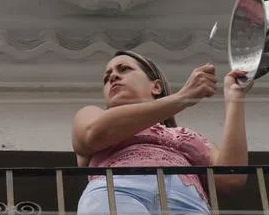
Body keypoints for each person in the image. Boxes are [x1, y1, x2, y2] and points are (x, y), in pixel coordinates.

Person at [72, 51, 252, 215]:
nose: (113, 76)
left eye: (124, 69)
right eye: (106, 77)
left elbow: (231, 177)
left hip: (188, 201)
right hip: (116, 192)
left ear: (156, 87)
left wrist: (234, 98)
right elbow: (92, 135)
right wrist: (182, 97)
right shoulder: (92, 115)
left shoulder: (186, 135)